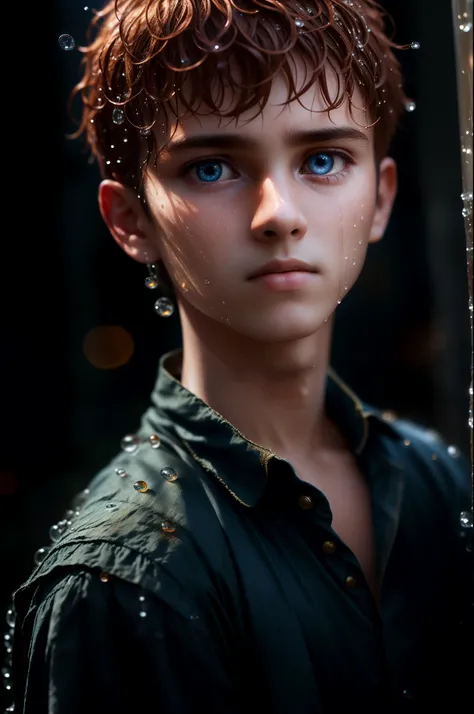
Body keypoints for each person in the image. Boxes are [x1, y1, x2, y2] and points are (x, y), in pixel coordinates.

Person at [6, 0, 472, 712]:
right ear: (130, 219)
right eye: (213, 167)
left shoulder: (434, 481)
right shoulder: (119, 584)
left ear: (379, 199)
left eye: (322, 159)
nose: (278, 212)